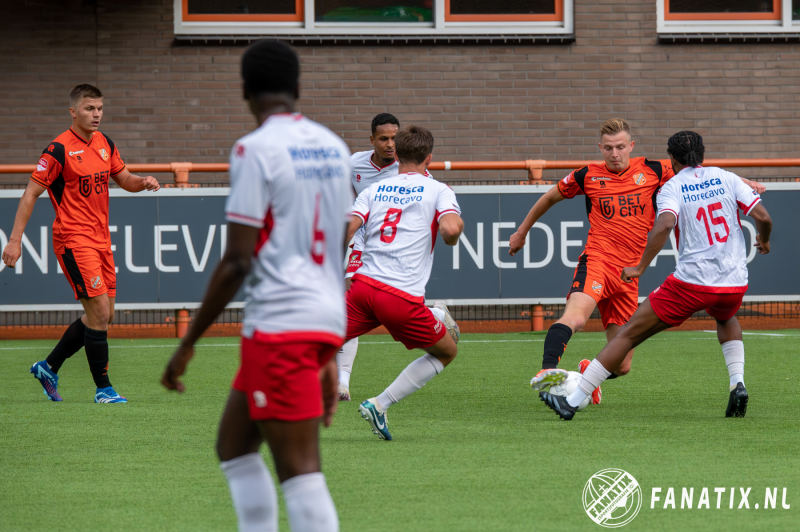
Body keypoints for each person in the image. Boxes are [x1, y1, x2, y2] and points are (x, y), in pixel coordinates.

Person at [160, 41, 351, 532]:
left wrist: (187, 344)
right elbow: (330, 244)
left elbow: (238, 260)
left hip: (281, 323)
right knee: (234, 446)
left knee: (300, 469)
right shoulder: (333, 146)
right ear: (298, 88)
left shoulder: (254, 148)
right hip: (321, 315)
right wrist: (326, 351)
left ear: (244, 89)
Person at [509, 118, 764, 404]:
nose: (614, 154)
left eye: (620, 147)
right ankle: (548, 372)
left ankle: (585, 375)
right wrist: (522, 232)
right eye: (608, 148)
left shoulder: (654, 170)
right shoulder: (586, 175)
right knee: (576, 317)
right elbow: (549, 197)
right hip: (598, 261)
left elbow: (701, 173)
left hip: (628, 275)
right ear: (600, 148)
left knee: (623, 364)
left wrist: (746, 183)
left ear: (631, 146)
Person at [1, 83, 160, 404]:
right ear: (73, 112)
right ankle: (104, 390)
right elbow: (31, 194)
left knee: (104, 316)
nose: (96, 114)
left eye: (100, 108)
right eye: (89, 108)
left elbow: (125, 179)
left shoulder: (105, 143)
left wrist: (142, 182)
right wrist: (14, 241)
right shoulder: (57, 150)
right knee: (100, 312)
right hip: (73, 239)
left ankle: (48, 367)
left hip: (101, 239)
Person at [344, 125, 463, 440]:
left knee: (318, 342)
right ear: (429, 158)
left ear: (396, 154)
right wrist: (453, 228)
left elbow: (347, 227)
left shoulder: (374, 189)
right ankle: (380, 404)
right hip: (399, 297)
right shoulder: (438, 190)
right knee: (446, 352)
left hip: (362, 288)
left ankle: (268, 400)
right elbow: (450, 230)